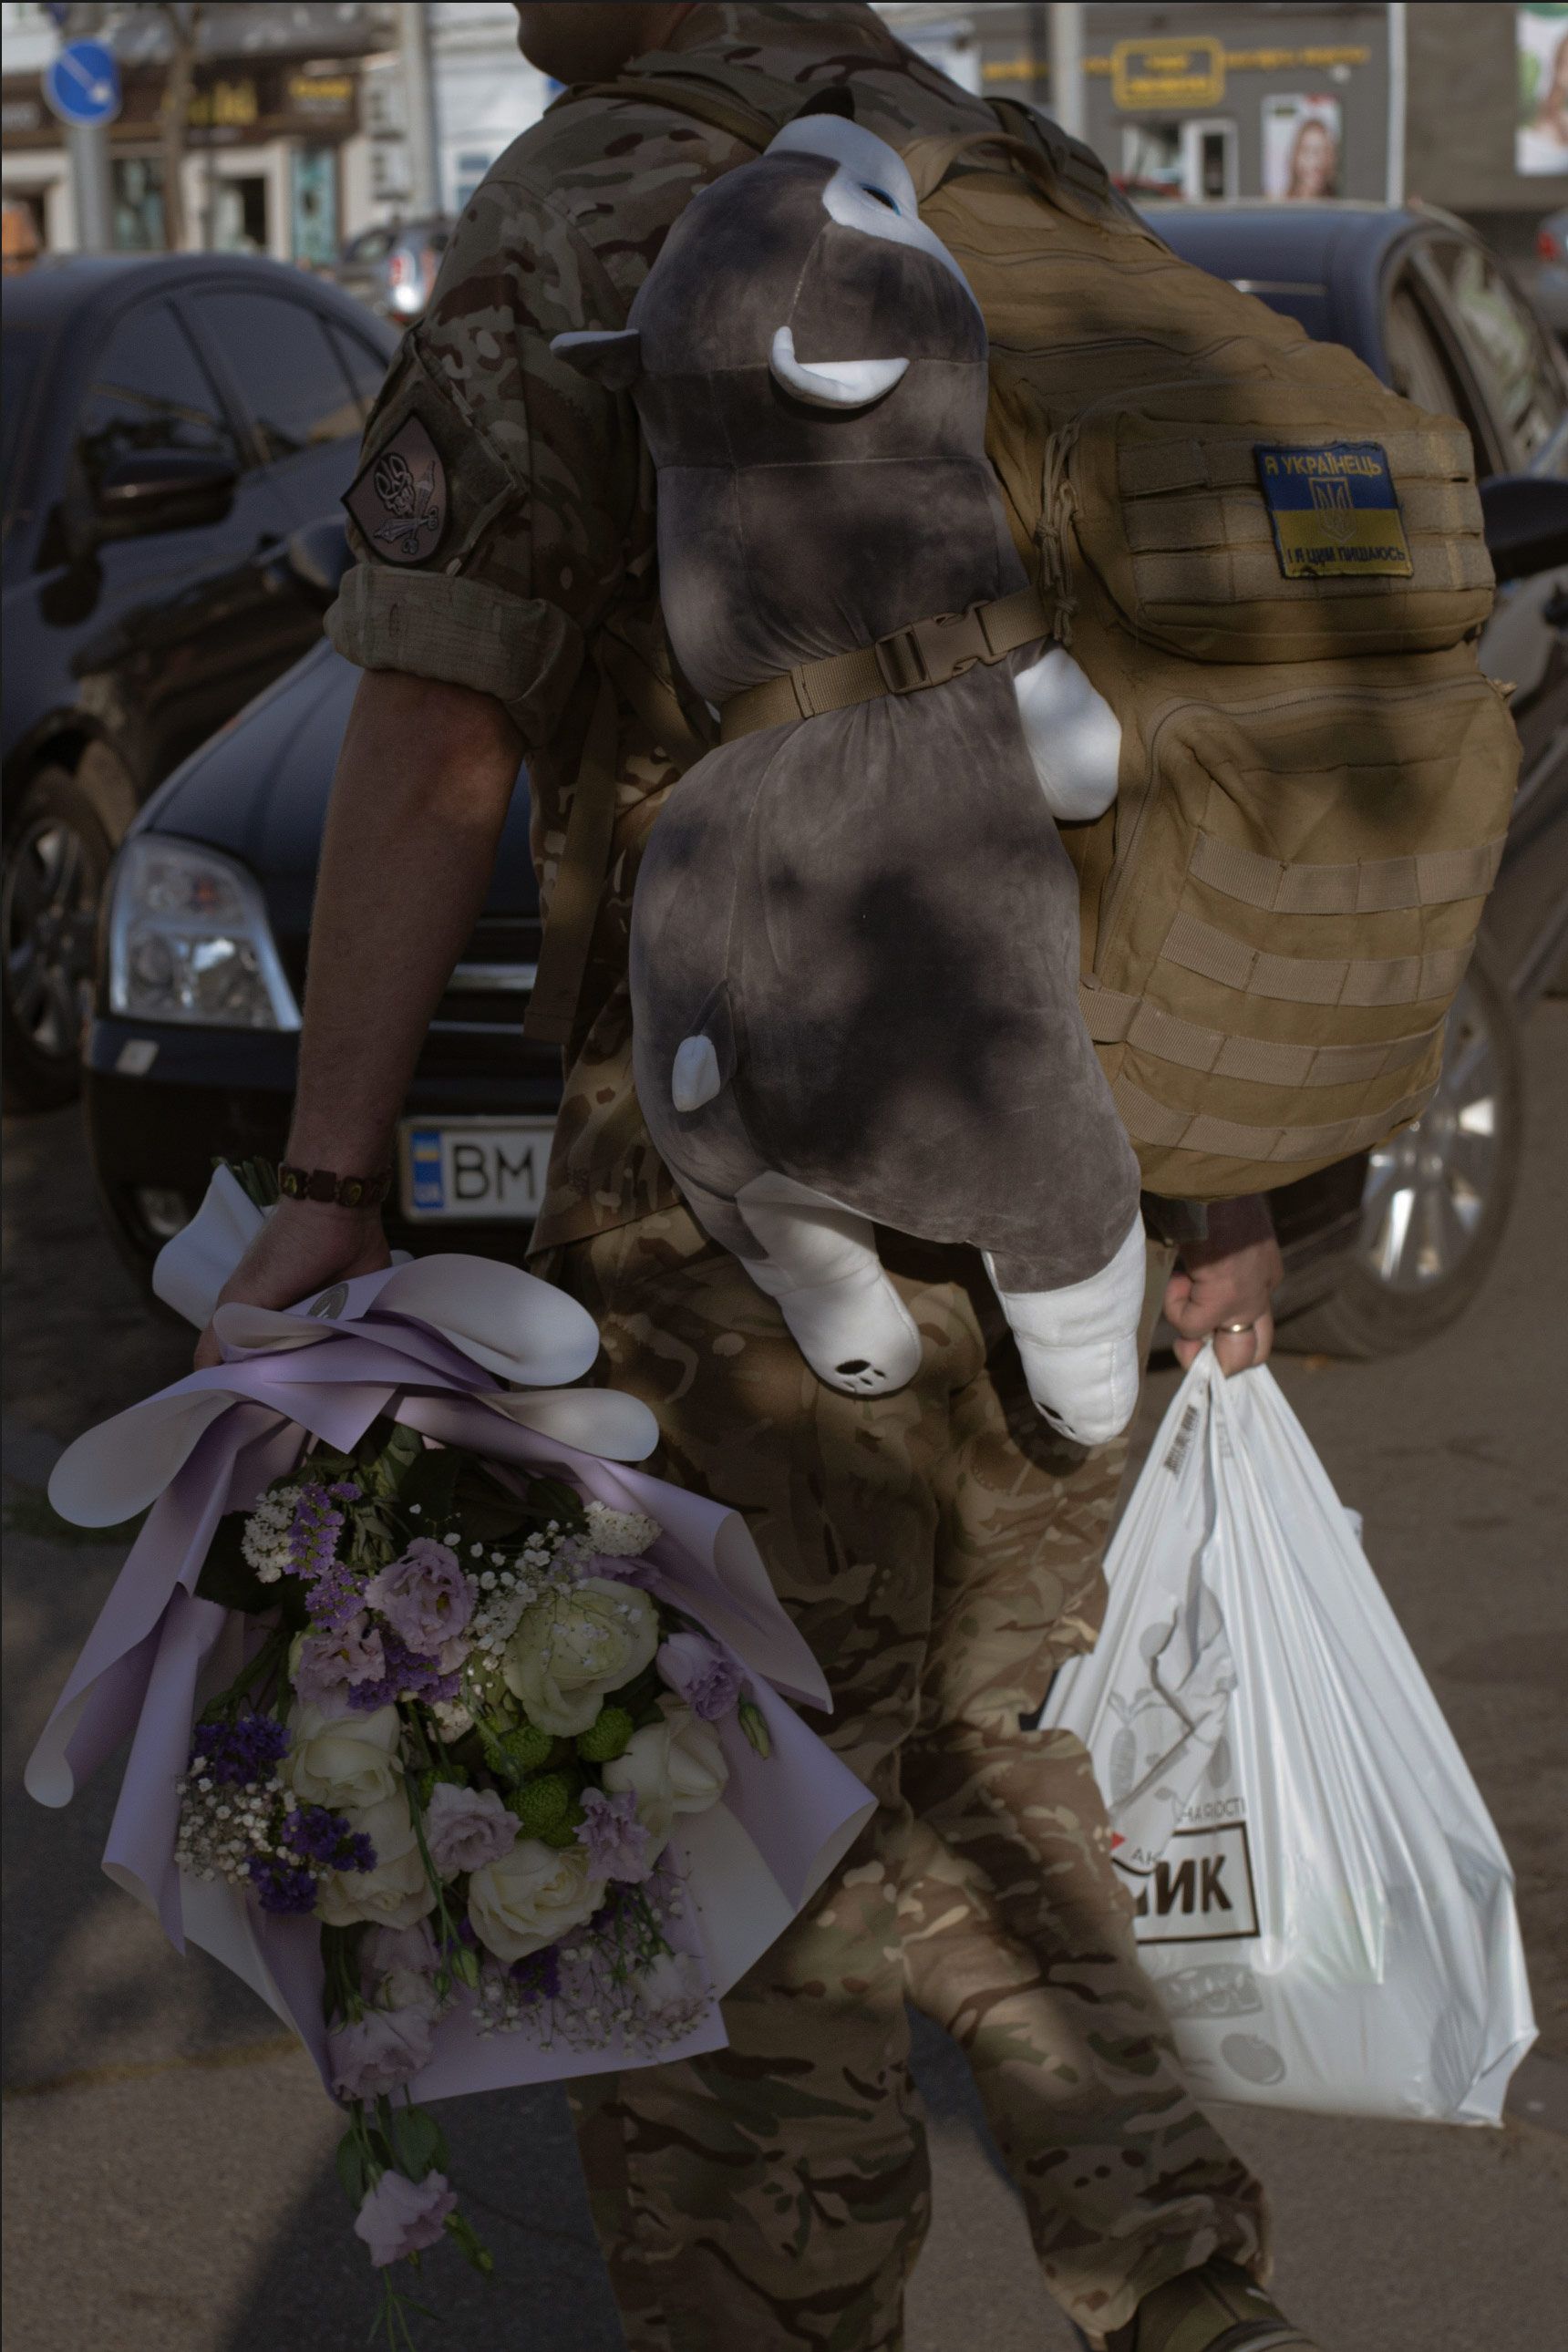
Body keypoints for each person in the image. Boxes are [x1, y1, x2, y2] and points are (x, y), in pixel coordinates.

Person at [197, 8, 1314, 2347]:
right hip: (1057, 1163)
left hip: (733, 1205)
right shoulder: (1008, 173)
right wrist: (1226, 1170)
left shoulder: (591, 201)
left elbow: (438, 713)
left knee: (721, 1844)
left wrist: (327, 1172)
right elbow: (1182, 721)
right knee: (981, 1770)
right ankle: (1187, 2293)